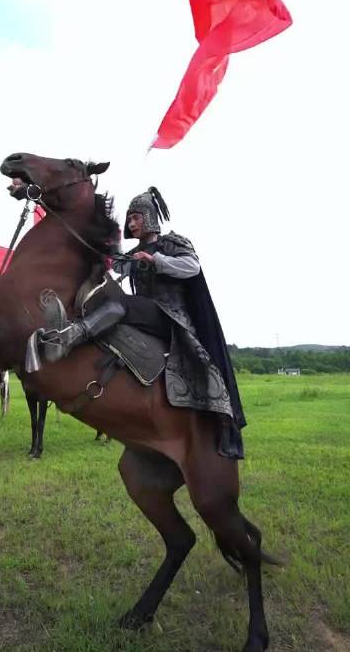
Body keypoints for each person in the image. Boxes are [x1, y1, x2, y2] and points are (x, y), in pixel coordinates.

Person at [32, 187, 246, 458]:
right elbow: (115, 265)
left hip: (171, 315)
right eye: (129, 219)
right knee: (109, 295)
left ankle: (72, 335)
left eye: (136, 217)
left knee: (119, 303)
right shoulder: (135, 253)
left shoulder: (172, 243)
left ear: (149, 216)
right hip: (144, 314)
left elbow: (192, 266)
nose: (131, 223)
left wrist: (156, 261)